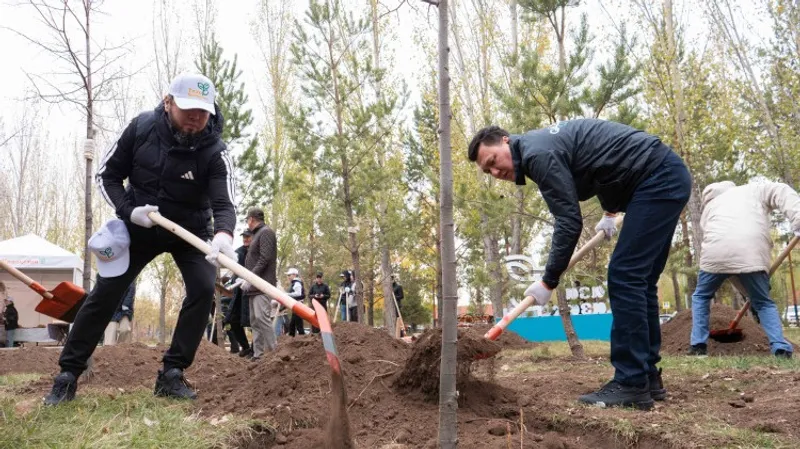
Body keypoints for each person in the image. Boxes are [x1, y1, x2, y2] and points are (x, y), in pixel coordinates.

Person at [468, 119, 691, 410]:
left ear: (506, 141)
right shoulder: (541, 146)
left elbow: (569, 221)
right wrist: (610, 211)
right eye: (488, 171)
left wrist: (549, 280)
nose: (496, 172)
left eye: (493, 161)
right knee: (640, 280)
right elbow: (604, 164)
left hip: (656, 178)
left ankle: (631, 382)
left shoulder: (537, 154)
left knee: (625, 276)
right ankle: (646, 377)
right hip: (660, 176)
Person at [45, 72, 237, 405]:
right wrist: (127, 210)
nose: (196, 117)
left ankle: (172, 373)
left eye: (203, 111)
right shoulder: (141, 128)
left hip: (191, 231)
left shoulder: (216, 151)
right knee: (108, 292)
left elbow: (224, 201)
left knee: (204, 290)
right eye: (188, 108)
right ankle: (68, 375)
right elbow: (108, 175)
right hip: (142, 222)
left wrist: (223, 234)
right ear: (168, 102)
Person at [688, 181, 800, 358]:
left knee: (701, 296)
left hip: (715, 254)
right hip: (751, 251)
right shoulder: (754, 189)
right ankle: (780, 347)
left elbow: (729, 263)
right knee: (763, 302)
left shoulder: (710, 207)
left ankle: (698, 346)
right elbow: (781, 190)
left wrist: (747, 292)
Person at [241, 208, 278, 360]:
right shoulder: (257, 234)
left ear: (251, 219)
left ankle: (275, 353)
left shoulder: (266, 233)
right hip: (254, 286)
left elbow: (265, 259)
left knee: (262, 318)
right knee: (255, 321)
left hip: (262, 284)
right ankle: (259, 355)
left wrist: (250, 277)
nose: (247, 223)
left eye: (247, 220)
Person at [228, 230, 253, 358]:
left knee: (253, 320)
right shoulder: (239, 252)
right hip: (239, 290)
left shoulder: (256, 252)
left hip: (252, 290)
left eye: (248, 237)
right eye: (244, 237)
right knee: (232, 319)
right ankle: (246, 347)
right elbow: (232, 266)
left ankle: (255, 349)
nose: (245, 239)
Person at [285, 268, 306, 336]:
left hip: (298, 304)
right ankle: (292, 336)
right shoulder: (295, 282)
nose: (288, 277)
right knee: (292, 323)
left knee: (298, 323)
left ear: (294, 275)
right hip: (296, 305)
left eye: (289, 275)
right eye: (288, 275)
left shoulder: (297, 282)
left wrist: (287, 294)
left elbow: (298, 293)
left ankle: (302, 337)